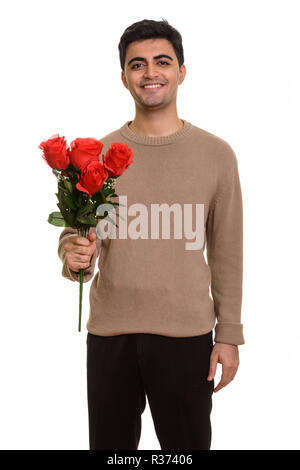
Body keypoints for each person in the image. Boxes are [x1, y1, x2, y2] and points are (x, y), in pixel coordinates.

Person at [57, 18, 244, 451]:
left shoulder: (216, 155)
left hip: (187, 336)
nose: (150, 73)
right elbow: (78, 234)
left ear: (182, 71)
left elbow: (227, 250)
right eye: (137, 65)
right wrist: (72, 254)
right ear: (124, 78)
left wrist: (229, 334)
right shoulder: (97, 154)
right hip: (111, 334)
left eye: (162, 61)